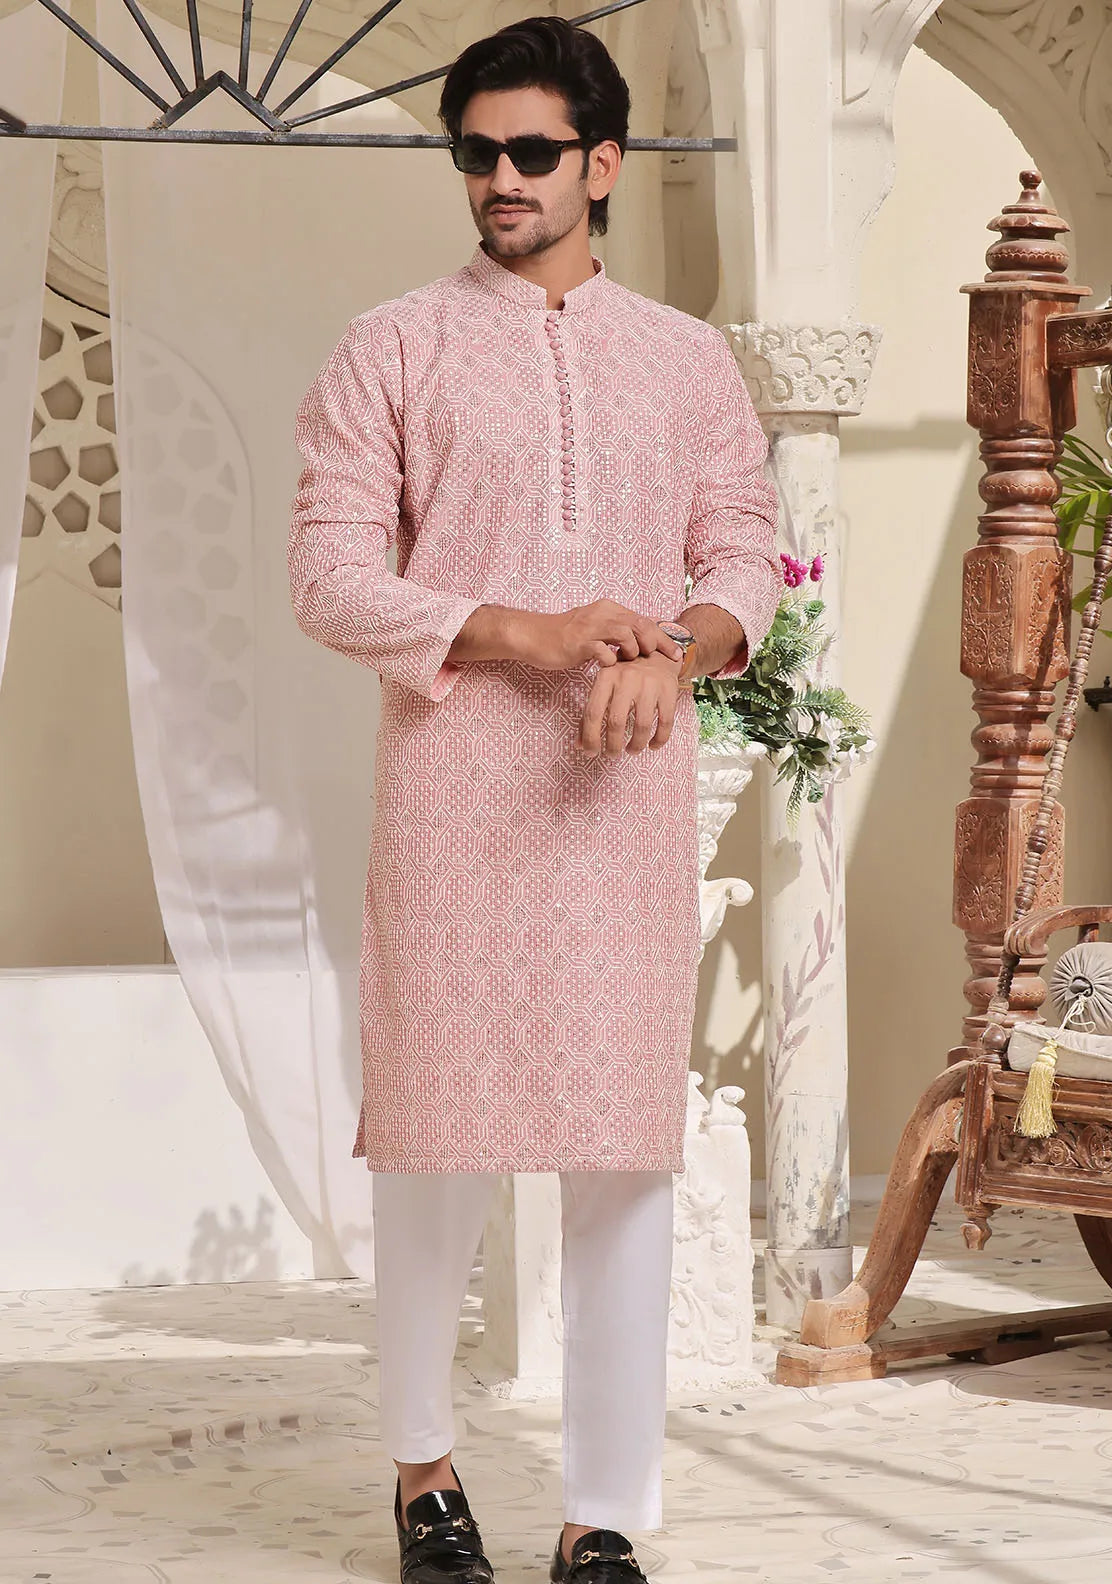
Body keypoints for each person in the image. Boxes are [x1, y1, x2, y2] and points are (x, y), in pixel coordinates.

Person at [288, 15, 779, 1582]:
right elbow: (328, 576)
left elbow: (742, 552)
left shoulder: (686, 360)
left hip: (618, 798)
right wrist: (529, 632)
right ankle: (424, 1473)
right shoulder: (391, 347)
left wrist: (679, 655)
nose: (498, 178)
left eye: (531, 152)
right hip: (453, 793)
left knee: (622, 1153)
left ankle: (604, 1511)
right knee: (435, 1146)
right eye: (476, 152)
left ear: (602, 164)